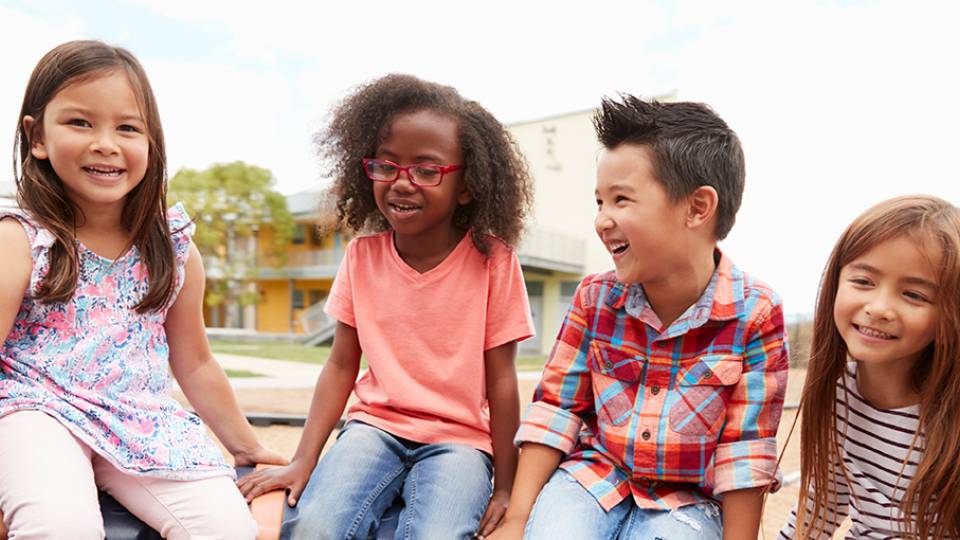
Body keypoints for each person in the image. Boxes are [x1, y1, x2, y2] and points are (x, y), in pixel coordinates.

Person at [0, 40, 285, 539]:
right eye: (80, 123)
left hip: (139, 420)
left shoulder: (172, 249)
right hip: (35, 410)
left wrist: (245, 445)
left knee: (227, 529)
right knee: (61, 524)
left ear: (151, 143)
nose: (106, 143)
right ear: (36, 136)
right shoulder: (21, 239)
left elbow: (194, 361)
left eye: (127, 128)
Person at [237, 73, 536, 539]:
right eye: (387, 166)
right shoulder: (362, 256)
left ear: (467, 185)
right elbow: (340, 366)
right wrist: (303, 460)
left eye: (426, 169)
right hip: (374, 428)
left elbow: (501, 379)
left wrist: (507, 487)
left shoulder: (494, 262)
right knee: (313, 526)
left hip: (460, 442)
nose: (402, 182)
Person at [489, 95, 789, 540]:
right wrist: (517, 520)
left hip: (688, 503)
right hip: (590, 480)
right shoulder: (595, 297)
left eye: (621, 200)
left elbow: (745, 454)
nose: (602, 220)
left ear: (698, 207)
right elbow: (556, 407)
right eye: (599, 202)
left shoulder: (756, 314)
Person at [779, 195, 960, 539]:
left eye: (914, 295)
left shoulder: (950, 411)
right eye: (864, 282)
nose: (879, 308)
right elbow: (822, 508)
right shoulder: (839, 394)